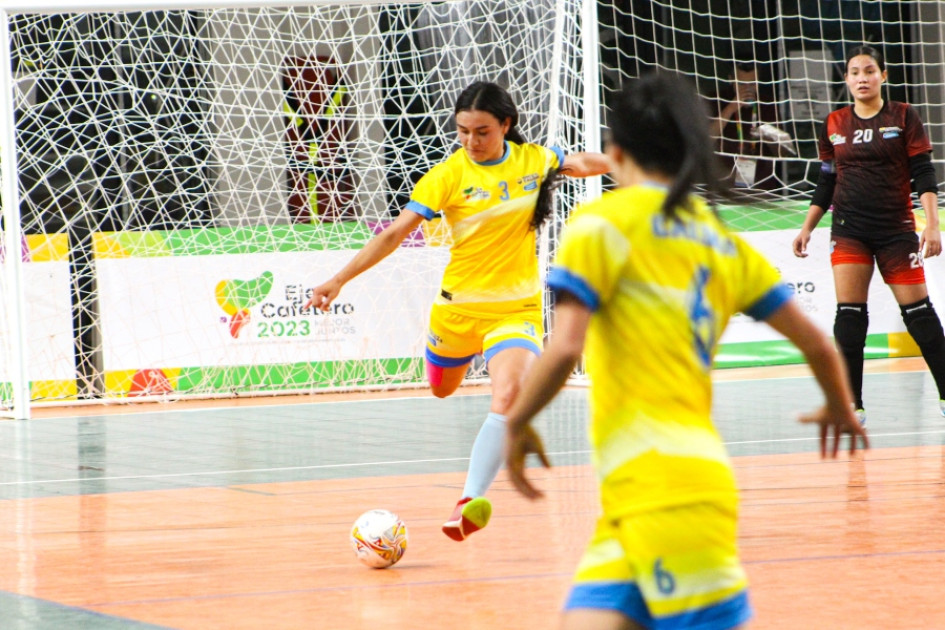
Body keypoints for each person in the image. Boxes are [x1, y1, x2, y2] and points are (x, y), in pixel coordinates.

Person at [504, 74, 868, 630]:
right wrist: (840, 406)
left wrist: (517, 421)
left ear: (615, 153)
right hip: (643, 497)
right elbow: (818, 342)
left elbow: (563, 348)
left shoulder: (598, 225)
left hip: (663, 491)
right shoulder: (716, 237)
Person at [304, 81, 611, 541]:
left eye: (482, 131)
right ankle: (448, 369)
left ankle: (468, 502)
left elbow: (582, 163)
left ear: (506, 125)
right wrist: (338, 279)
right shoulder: (446, 176)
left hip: (516, 310)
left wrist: (630, 167)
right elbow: (392, 234)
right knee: (442, 389)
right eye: (463, 131)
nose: (471, 141)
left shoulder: (534, 160)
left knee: (508, 395)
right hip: (457, 313)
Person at [792, 44, 945, 426]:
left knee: (920, 315)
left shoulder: (904, 116)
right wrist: (807, 227)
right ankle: (852, 405)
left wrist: (933, 223)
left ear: (883, 76)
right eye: (855, 72)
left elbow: (923, 173)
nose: (862, 77)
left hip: (896, 231)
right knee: (849, 316)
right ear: (846, 80)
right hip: (849, 231)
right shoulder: (834, 123)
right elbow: (826, 181)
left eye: (869, 70)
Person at [712, 58, 794, 191]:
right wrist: (731, 108)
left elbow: (784, 152)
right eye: (742, 84)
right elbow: (706, 138)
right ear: (731, 79)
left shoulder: (768, 103)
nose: (747, 89)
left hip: (761, 186)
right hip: (723, 185)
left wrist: (767, 133)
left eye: (752, 84)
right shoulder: (716, 99)